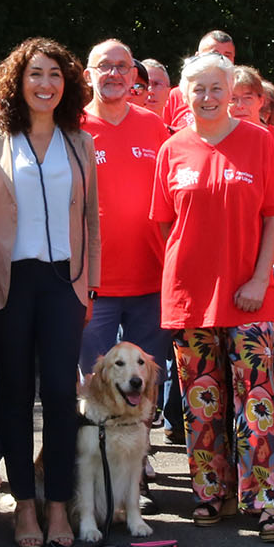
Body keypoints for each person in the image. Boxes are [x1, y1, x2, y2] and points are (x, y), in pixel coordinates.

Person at [0, 38, 101, 547]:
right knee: (15, 395)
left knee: (63, 395)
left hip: (66, 282)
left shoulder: (80, 142)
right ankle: (24, 506)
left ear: (66, 85)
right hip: (8, 281)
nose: (45, 84)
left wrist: (91, 284)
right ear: (17, 82)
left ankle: (59, 507)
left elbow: (90, 220)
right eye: (35, 74)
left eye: (55, 75)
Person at [151, 51, 274, 541]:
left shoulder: (258, 143)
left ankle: (269, 502)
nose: (208, 97)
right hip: (189, 298)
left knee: (257, 402)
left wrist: (259, 278)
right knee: (201, 402)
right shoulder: (172, 150)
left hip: (249, 294)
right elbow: (167, 225)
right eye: (198, 89)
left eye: (217, 88)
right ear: (184, 94)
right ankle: (212, 493)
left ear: (231, 91)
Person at [79, 38, 172, 382]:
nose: (114, 73)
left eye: (121, 67)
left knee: (144, 388)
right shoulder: (72, 128)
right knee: (95, 385)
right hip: (93, 285)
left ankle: (140, 440)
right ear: (88, 75)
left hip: (151, 279)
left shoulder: (153, 126)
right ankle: (93, 441)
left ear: (134, 74)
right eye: (104, 66)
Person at [229, 65, 274, 157]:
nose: (240, 105)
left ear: (261, 101)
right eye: (232, 99)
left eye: (247, 98)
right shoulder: (215, 140)